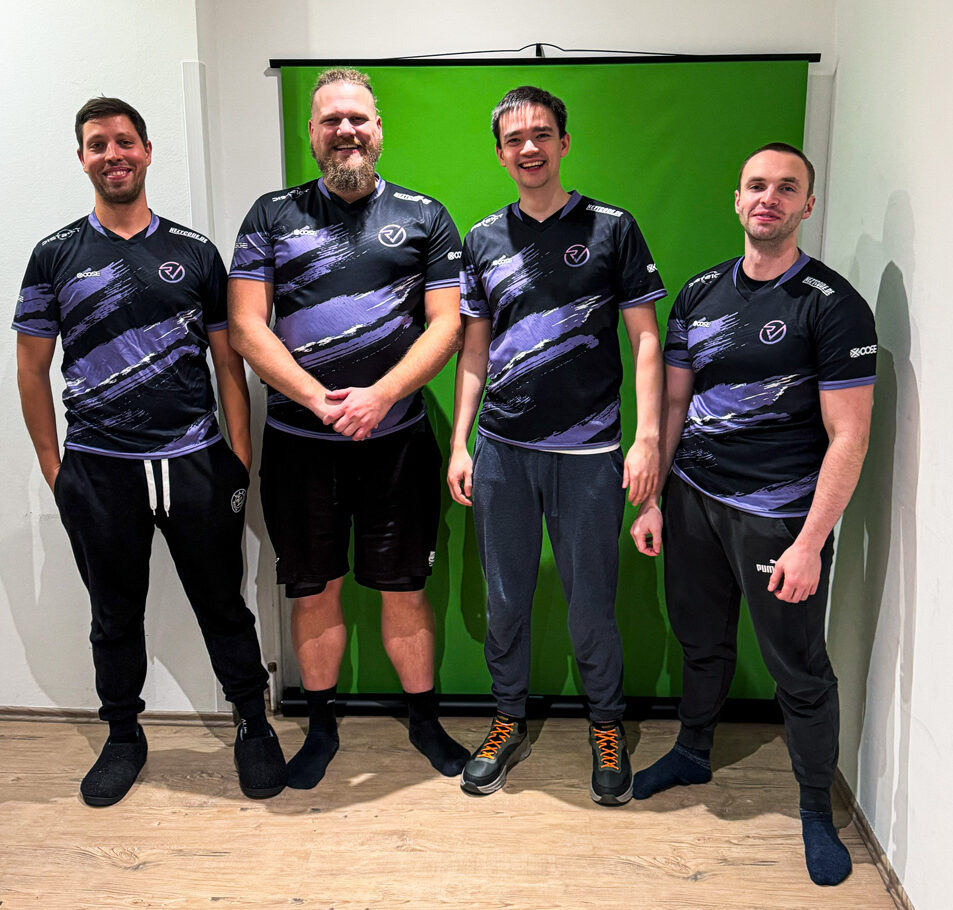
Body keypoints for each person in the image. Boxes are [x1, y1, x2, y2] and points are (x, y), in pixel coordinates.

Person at [14, 97, 286, 807]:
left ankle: (253, 724)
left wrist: (237, 458)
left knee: (222, 605)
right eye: (97, 144)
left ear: (147, 151)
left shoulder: (194, 252)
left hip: (195, 462)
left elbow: (228, 364)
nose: (113, 154)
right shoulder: (54, 255)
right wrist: (56, 469)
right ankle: (123, 735)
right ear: (82, 159)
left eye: (125, 141)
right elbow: (31, 370)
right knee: (113, 614)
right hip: (98, 468)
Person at [629, 142, 876, 885]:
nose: (769, 198)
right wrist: (653, 498)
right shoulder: (699, 294)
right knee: (701, 643)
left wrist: (810, 542)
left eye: (786, 188)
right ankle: (692, 752)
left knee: (797, 669)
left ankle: (813, 809)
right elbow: (674, 403)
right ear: (737, 200)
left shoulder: (832, 305)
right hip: (692, 502)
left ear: (807, 205)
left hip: (779, 518)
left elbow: (849, 436)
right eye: (756, 186)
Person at [228, 68, 468, 789]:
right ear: (312, 133)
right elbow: (245, 326)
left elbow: (447, 326)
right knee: (315, 589)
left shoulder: (425, 216)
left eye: (357, 118)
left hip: (397, 442)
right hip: (301, 446)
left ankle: (423, 720)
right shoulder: (271, 215)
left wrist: (379, 397)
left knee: (404, 589)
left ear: (378, 129)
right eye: (331, 119)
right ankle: (321, 726)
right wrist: (319, 400)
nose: (346, 131)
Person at [448, 86, 665, 804]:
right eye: (514, 139)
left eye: (541, 134)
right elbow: (473, 350)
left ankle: (605, 725)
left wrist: (646, 438)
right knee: (506, 601)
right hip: (503, 452)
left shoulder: (612, 228)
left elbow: (644, 340)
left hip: (590, 455)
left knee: (590, 607)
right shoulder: (482, 239)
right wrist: (460, 444)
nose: (529, 148)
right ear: (500, 153)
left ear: (563, 143)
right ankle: (507, 719)